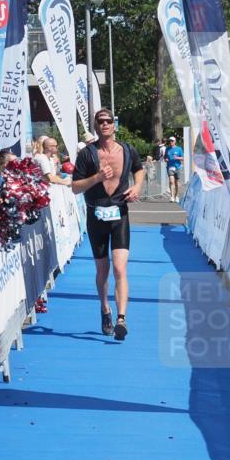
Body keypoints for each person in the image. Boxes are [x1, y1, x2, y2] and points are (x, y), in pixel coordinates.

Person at [71, 108, 144, 341]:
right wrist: (97, 178)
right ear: (95, 126)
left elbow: (139, 169)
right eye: (100, 121)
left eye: (108, 121)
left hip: (120, 214)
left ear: (114, 125)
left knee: (120, 268)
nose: (104, 124)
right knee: (103, 270)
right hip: (96, 216)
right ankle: (105, 309)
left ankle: (122, 319)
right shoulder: (87, 154)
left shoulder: (127, 149)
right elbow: (75, 187)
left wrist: (136, 187)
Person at [165, 135, 184, 202]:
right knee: (171, 181)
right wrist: (166, 159)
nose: (171, 142)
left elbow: (182, 158)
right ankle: (172, 197)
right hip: (170, 167)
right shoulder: (167, 149)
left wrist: (177, 158)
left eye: (172, 141)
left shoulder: (179, 149)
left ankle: (176, 196)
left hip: (177, 167)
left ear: (175, 141)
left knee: (176, 183)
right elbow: (165, 157)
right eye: (170, 141)